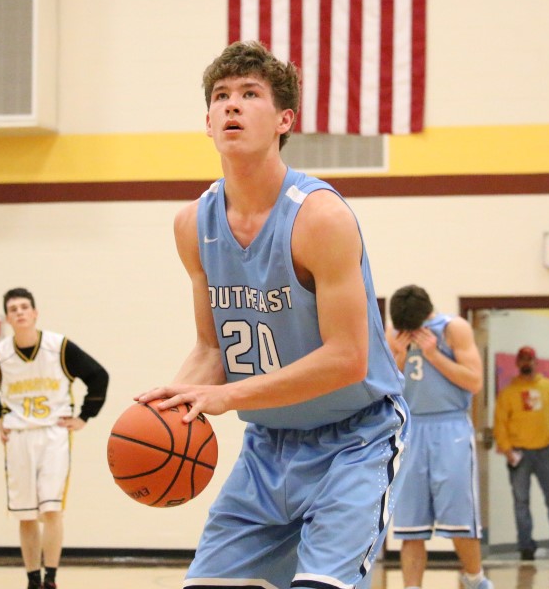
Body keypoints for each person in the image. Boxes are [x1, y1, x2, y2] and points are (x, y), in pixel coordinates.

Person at [134, 41, 409, 589]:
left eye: (250, 94)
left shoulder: (320, 218)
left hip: (355, 440)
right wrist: (174, 405)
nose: (232, 105)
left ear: (285, 119)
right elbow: (213, 349)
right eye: (221, 96)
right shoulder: (192, 225)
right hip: (268, 445)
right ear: (208, 122)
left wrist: (228, 396)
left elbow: (348, 358)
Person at [0, 288, 110, 589]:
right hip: (18, 435)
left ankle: (50, 577)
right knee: (26, 514)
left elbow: (99, 376)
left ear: (35, 313)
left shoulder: (58, 346)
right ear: (8, 318)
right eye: (14, 309)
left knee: (51, 509)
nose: (20, 312)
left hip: (53, 434)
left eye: (25, 307)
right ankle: (32, 579)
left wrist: (84, 416)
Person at [387, 286, 492, 589]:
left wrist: (433, 355)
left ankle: (475, 578)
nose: (408, 332)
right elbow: (383, 388)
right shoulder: (394, 332)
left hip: (450, 427)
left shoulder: (453, 328)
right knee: (410, 524)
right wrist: (399, 357)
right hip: (411, 428)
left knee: (459, 515)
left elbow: (474, 382)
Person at [493, 345, 549, 560]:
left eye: (530, 359)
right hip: (519, 454)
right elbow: (500, 423)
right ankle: (526, 546)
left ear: (536, 362)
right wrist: (507, 450)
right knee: (521, 502)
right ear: (517, 363)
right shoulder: (508, 393)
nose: (527, 363)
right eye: (523, 360)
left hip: (546, 452)